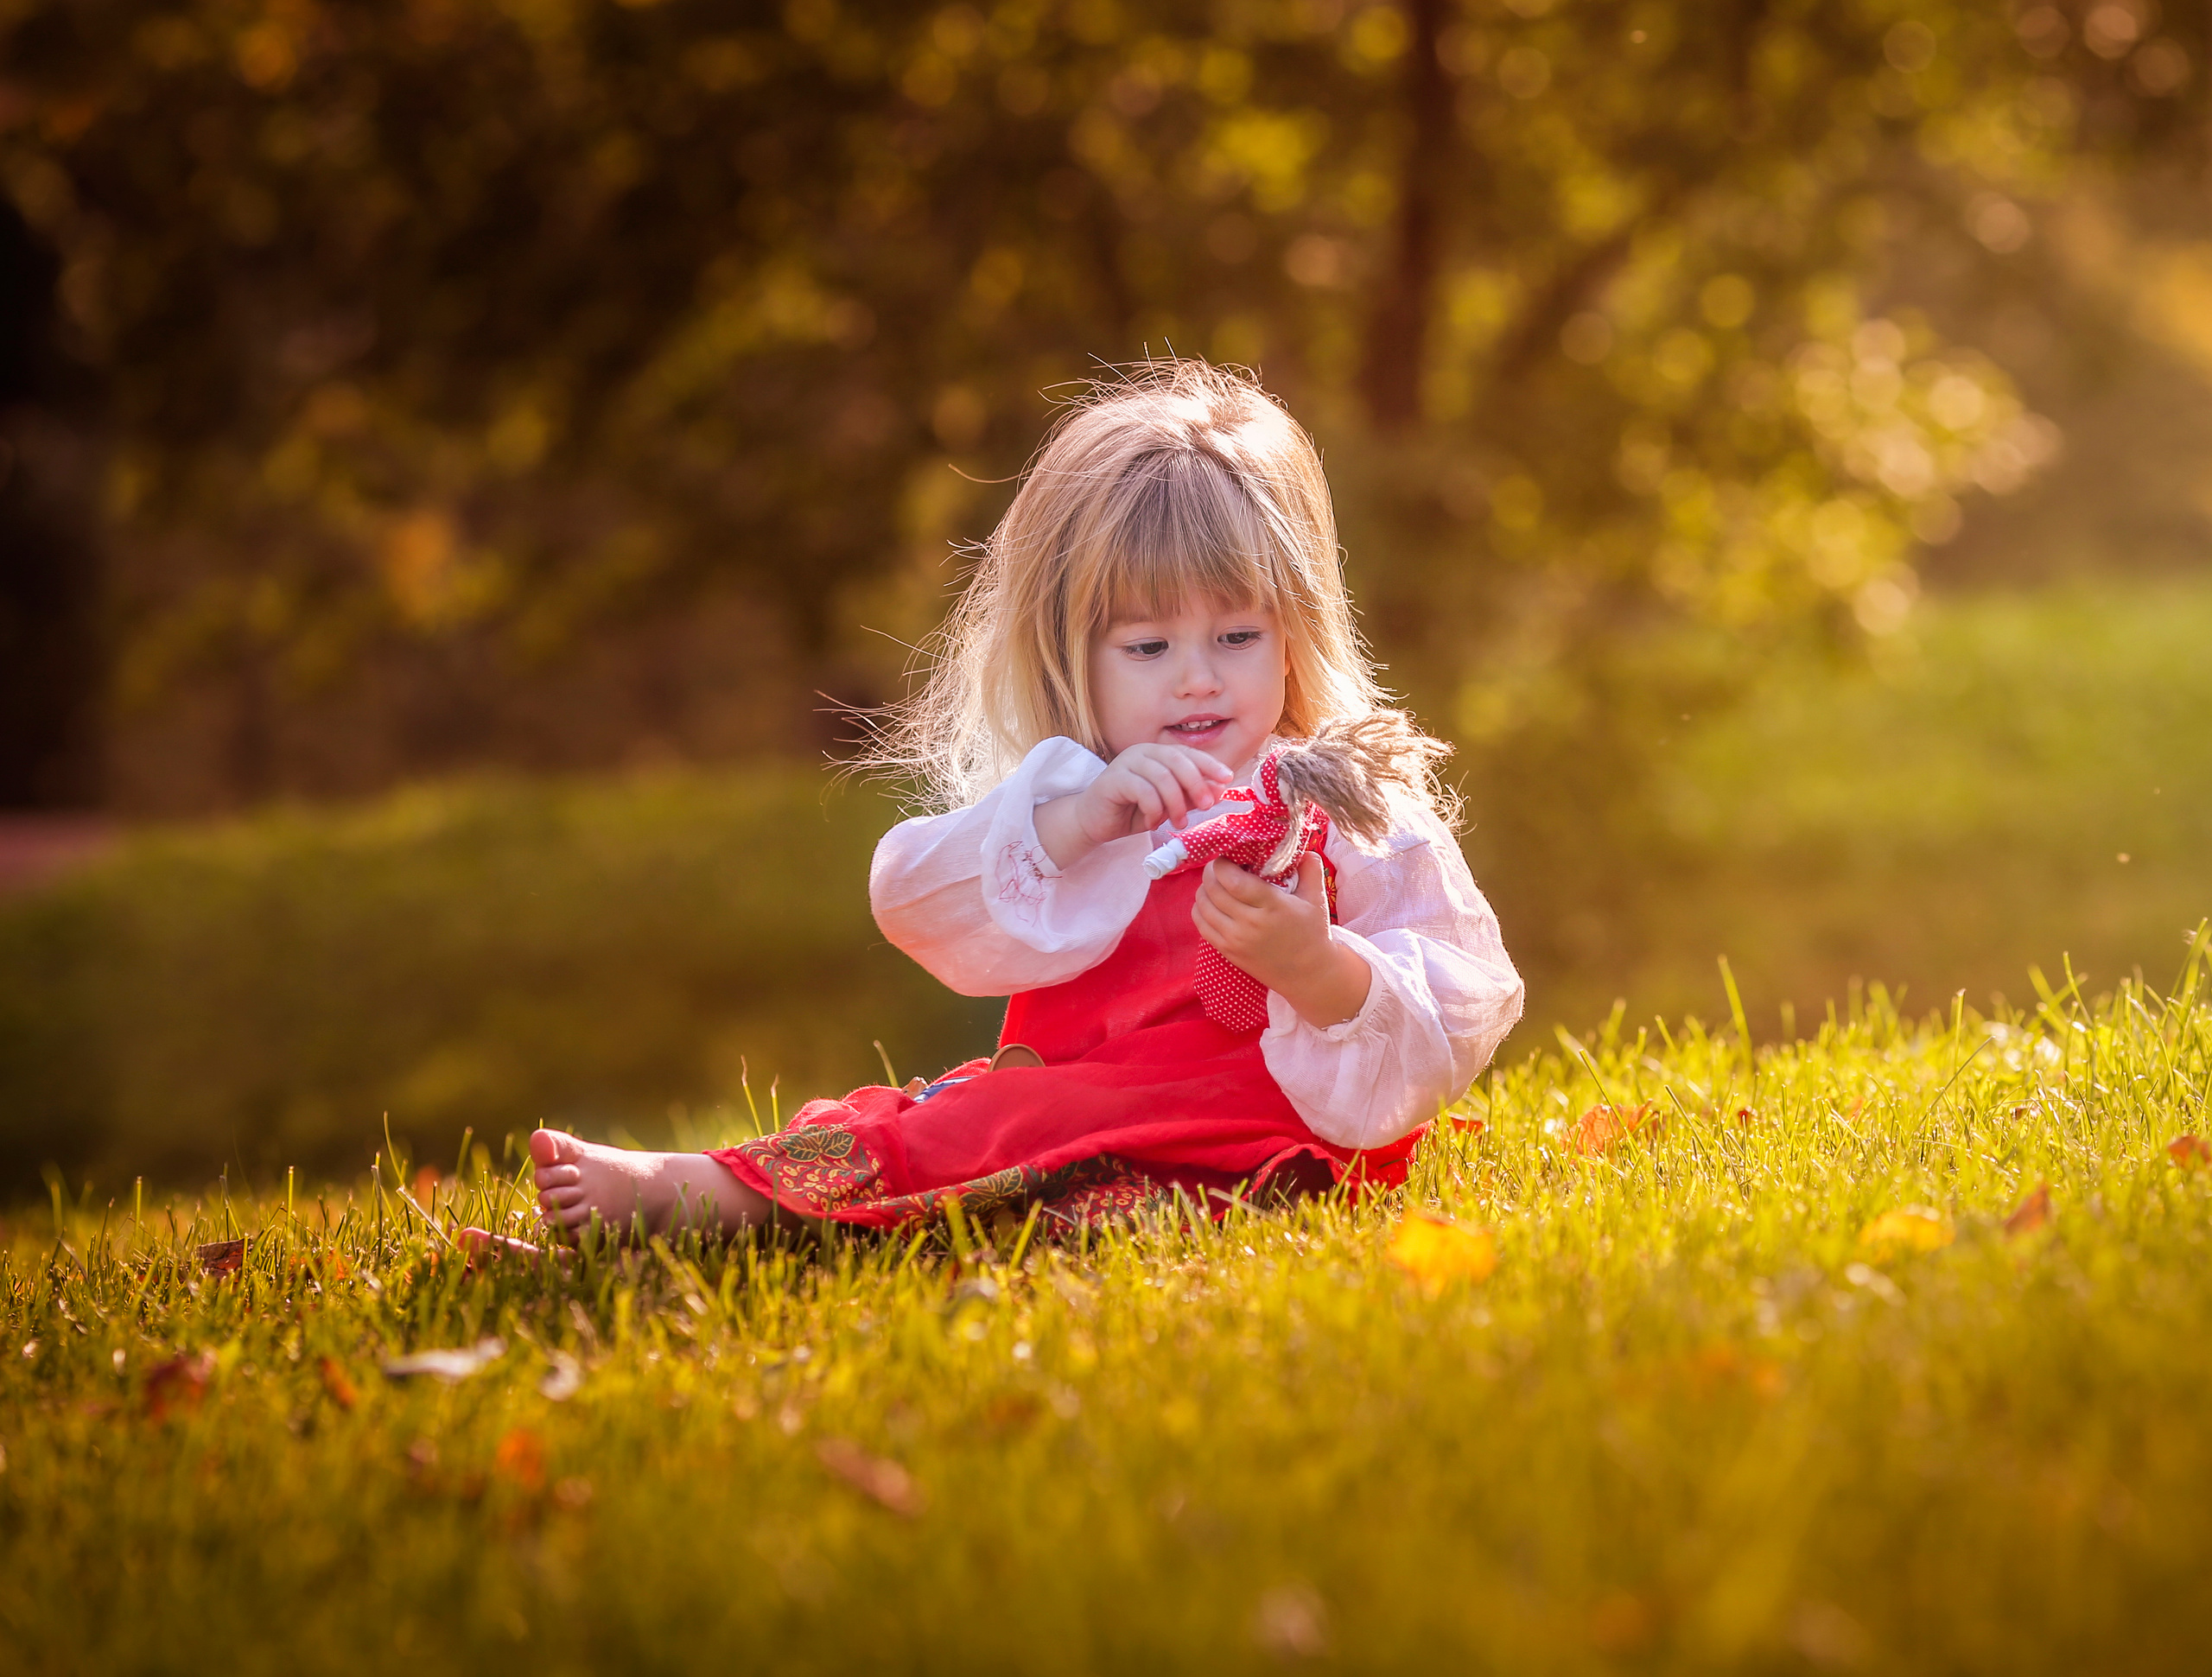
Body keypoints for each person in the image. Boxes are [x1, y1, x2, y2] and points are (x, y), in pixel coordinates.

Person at [526, 360, 1523, 1240]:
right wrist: (1076, 823)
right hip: (1070, 1099)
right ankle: (725, 1187)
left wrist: (1315, 966)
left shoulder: (1340, 800)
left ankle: (717, 1201)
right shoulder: (1080, 796)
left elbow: (1460, 995)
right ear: (1070, 652)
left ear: (1296, 629)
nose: (1197, 681)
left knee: (1009, 1134)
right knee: (950, 1112)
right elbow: (917, 905)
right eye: (1146, 647)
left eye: (1236, 638)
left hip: (1259, 1119)